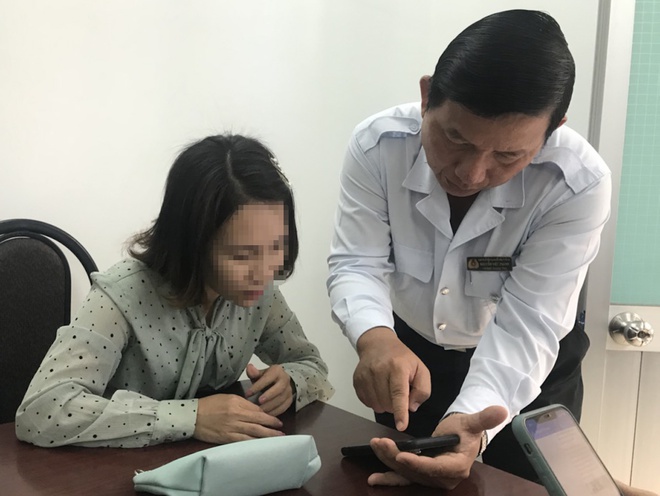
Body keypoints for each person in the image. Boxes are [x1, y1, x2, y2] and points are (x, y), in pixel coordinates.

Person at [327, 9, 612, 487]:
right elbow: (357, 261)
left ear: (552, 130)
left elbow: (529, 323)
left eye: (508, 155)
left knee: (525, 489)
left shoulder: (577, 183)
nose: (471, 173)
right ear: (426, 97)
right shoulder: (379, 146)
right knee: (407, 481)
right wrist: (374, 338)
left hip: (528, 373)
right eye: (454, 137)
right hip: (412, 358)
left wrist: (474, 424)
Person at [16, 134, 334, 448]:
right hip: (112, 466)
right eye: (242, 255)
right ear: (191, 242)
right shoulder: (123, 295)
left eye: (276, 246)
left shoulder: (259, 292)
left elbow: (311, 364)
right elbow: (41, 411)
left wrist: (291, 382)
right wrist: (191, 418)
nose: (264, 272)